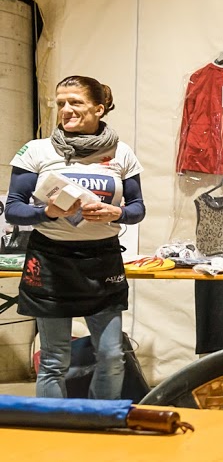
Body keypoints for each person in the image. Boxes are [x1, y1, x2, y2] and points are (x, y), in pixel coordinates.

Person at [5, 75, 146, 398]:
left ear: (99, 109)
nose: (66, 109)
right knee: (54, 360)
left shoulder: (121, 152)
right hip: (51, 261)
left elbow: (138, 208)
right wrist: (47, 212)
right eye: (61, 103)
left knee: (112, 356)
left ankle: (100, 420)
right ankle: (55, 425)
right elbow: (13, 209)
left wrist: (116, 213)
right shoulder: (36, 150)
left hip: (102, 260)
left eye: (75, 102)